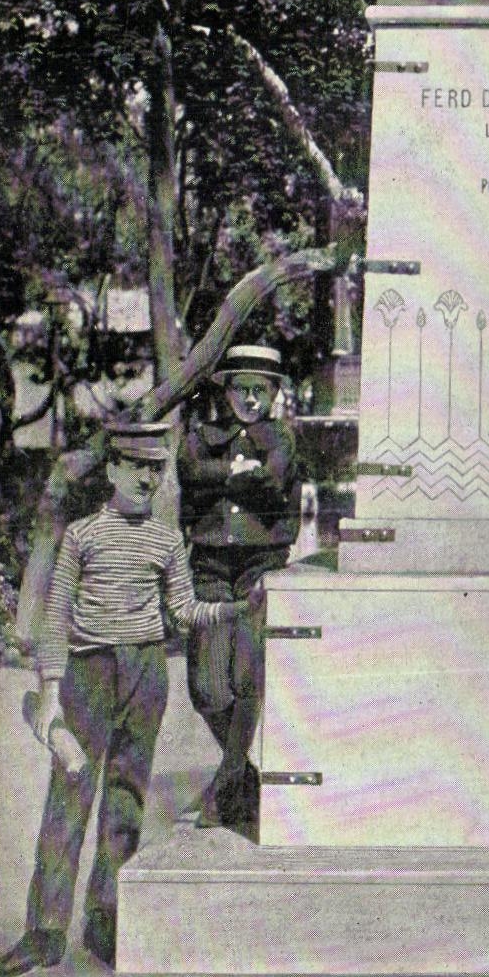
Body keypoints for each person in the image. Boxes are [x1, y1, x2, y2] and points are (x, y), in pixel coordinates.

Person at [0, 420, 245, 977]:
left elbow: (183, 608)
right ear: (111, 469)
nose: (147, 478)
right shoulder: (81, 535)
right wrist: (50, 689)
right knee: (70, 795)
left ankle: (105, 919)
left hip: (146, 671)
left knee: (127, 798)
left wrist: (231, 611)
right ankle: (44, 931)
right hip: (89, 671)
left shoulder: (166, 540)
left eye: (155, 468)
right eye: (136, 467)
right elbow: (57, 614)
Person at [177, 344, 297, 830]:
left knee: (247, 678)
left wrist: (219, 478)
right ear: (225, 391)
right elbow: (189, 473)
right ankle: (246, 780)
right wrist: (232, 471)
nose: (249, 399)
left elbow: (272, 482)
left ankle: (225, 784)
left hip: (259, 564)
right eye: (240, 389)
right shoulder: (202, 436)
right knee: (207, 688)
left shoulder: (281, 437)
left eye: (259, 390)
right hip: (209, 565)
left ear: (274, 393)